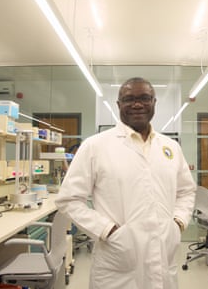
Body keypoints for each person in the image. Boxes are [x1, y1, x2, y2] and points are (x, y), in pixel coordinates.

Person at [55, 77, 196, 289]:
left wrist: (178, 223)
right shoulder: (95, 146)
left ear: (154, 103)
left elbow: (186, 191)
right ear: (119, 105)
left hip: (163, 253)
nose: (137, 104)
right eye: (129, 99)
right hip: (117, 258)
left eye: (144, 98)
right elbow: (68, 199)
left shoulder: (170, 147)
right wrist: (107, 230)